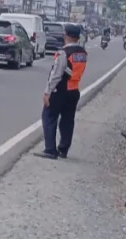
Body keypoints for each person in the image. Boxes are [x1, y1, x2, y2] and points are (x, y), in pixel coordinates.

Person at [35, 23, 87, 160]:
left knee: (49, 116)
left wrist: (47, 92)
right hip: (74, 90)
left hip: (60, 90)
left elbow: (56, 75)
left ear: (66, 36)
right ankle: (63, 149)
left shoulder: (64, 53)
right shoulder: (82, 53)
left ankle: (50, 150)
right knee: (68, 121)